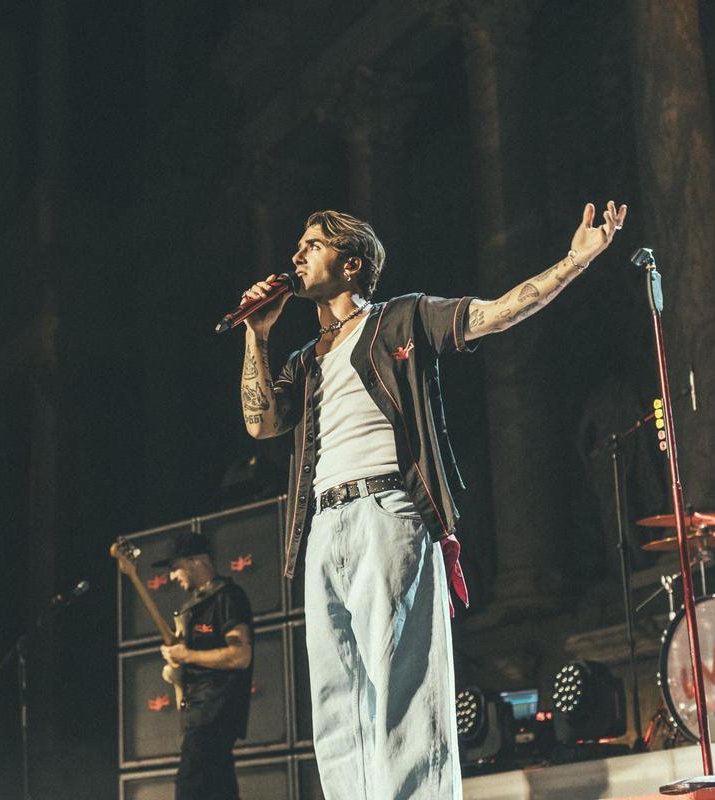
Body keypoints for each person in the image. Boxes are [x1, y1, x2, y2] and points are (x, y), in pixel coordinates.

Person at [238, 202, 627, 799]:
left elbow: (497, 314)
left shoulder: (400, 319)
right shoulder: (305, 361)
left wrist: (577, 259)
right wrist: (257, 335)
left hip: (385, 512)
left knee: (403, 692)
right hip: (323, 526)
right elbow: (261, 424)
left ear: (350, 264)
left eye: (311, 244)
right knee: (335, 703)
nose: (296, 255)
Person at [155, 531, 255, 800]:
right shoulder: (195, 606)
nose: (172, 577)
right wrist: (177, 658)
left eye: (175, 568)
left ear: (195, 561)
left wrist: (186, 655)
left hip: (215, 710)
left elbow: (240, 655)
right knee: (219, 790)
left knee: (190, 786)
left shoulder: (228, 597)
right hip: (201, 712)